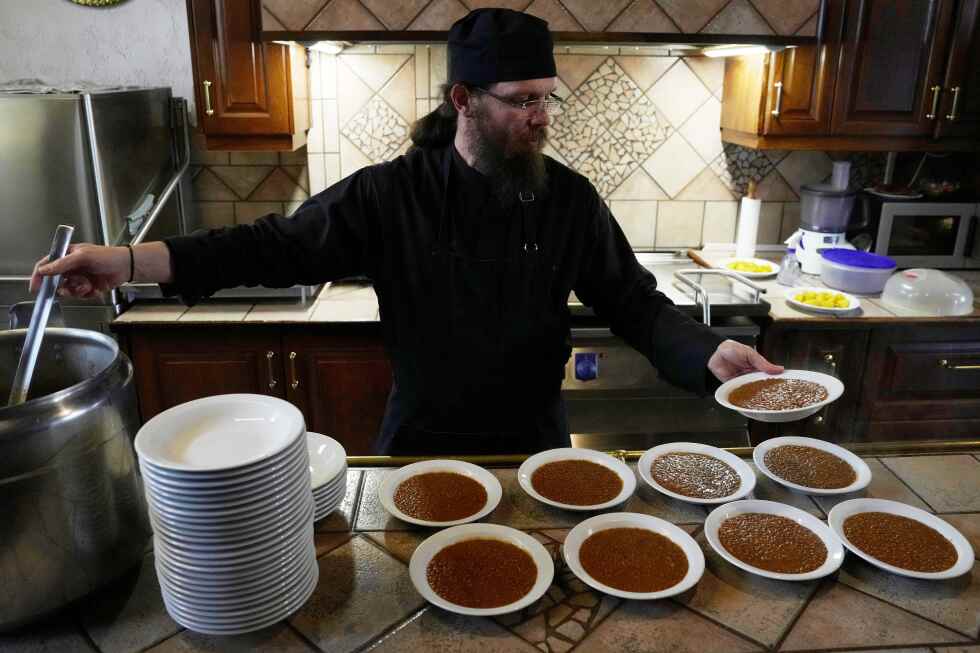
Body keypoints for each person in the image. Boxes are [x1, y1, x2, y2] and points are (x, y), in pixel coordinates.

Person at [32, 8, 782, 455]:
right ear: (464, 100)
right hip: (421, 442)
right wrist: (129, 259)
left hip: (536, 442)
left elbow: (635, 303)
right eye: (522, 101)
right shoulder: (389, 194)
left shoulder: (568, 200)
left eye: (547, 100)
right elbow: (269, 245)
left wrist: (707, 350)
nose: (541, 119)